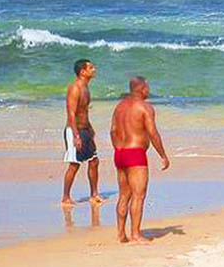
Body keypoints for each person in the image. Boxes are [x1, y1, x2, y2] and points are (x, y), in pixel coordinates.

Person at [110, 76, 170, 244]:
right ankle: (135, 234)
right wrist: (163, 155)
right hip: (135, 154)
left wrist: (118, 148)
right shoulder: (145, 108)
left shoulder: (120, 107)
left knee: (123, 195)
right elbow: (153, 133)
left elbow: (113, 131)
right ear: (142, 88)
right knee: (138, 195)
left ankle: (121, 234)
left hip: (120, 153)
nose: (149, 90)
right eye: (147, 86)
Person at [62, 59, 101, 207]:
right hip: (74, 131)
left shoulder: (86, 88)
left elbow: (83, 112)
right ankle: (65, 197)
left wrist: (90, 129)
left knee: (94, 161)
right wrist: (76, 136)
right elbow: (71, 113)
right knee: (74, 164)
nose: (94, 69)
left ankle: (94, 194)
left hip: (85, 129)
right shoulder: (75, 88)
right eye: (91, 67)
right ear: (82, 72)